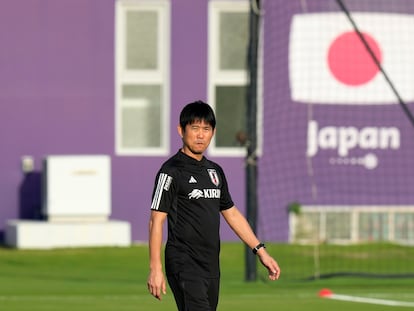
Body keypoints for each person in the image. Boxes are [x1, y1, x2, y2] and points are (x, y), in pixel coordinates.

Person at [147, 100, 280, 310]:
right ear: (181, 130)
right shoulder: (171, 171)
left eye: (206, 129)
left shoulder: (214, 172)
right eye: (195, 128)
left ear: (213, 132)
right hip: (184, 263)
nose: (201, 135)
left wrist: (261, 251)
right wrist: (155, 268)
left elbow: (232, 213)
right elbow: (156, 220)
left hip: (210, 266)